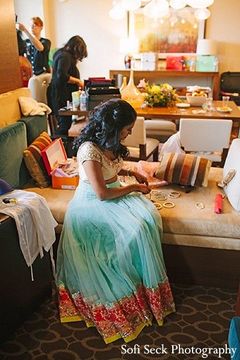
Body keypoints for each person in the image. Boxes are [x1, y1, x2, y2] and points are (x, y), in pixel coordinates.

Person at [56, 99, 175, 344]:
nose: (130, 133)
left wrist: (132, 171)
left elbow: (111, 167)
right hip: (94, 204)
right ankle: (124, 283)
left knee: (147, 219)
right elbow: (101, 193)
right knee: (136, 228)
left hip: (113, 192)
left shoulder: (109, 143)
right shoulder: (88, 150)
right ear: (113, 126)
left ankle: (138, 283)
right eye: (127, 128)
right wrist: (132, 187)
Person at [48, 35, 87, 135]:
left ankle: (61, 144)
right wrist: (78, 81)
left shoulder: (61, 53)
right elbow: (61, 76)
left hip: (60, 93)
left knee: (64, 122)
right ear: (75, 48)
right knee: (64, 124)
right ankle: (60, 146)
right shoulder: (65, 56)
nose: (78, 58)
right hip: (60, 94)